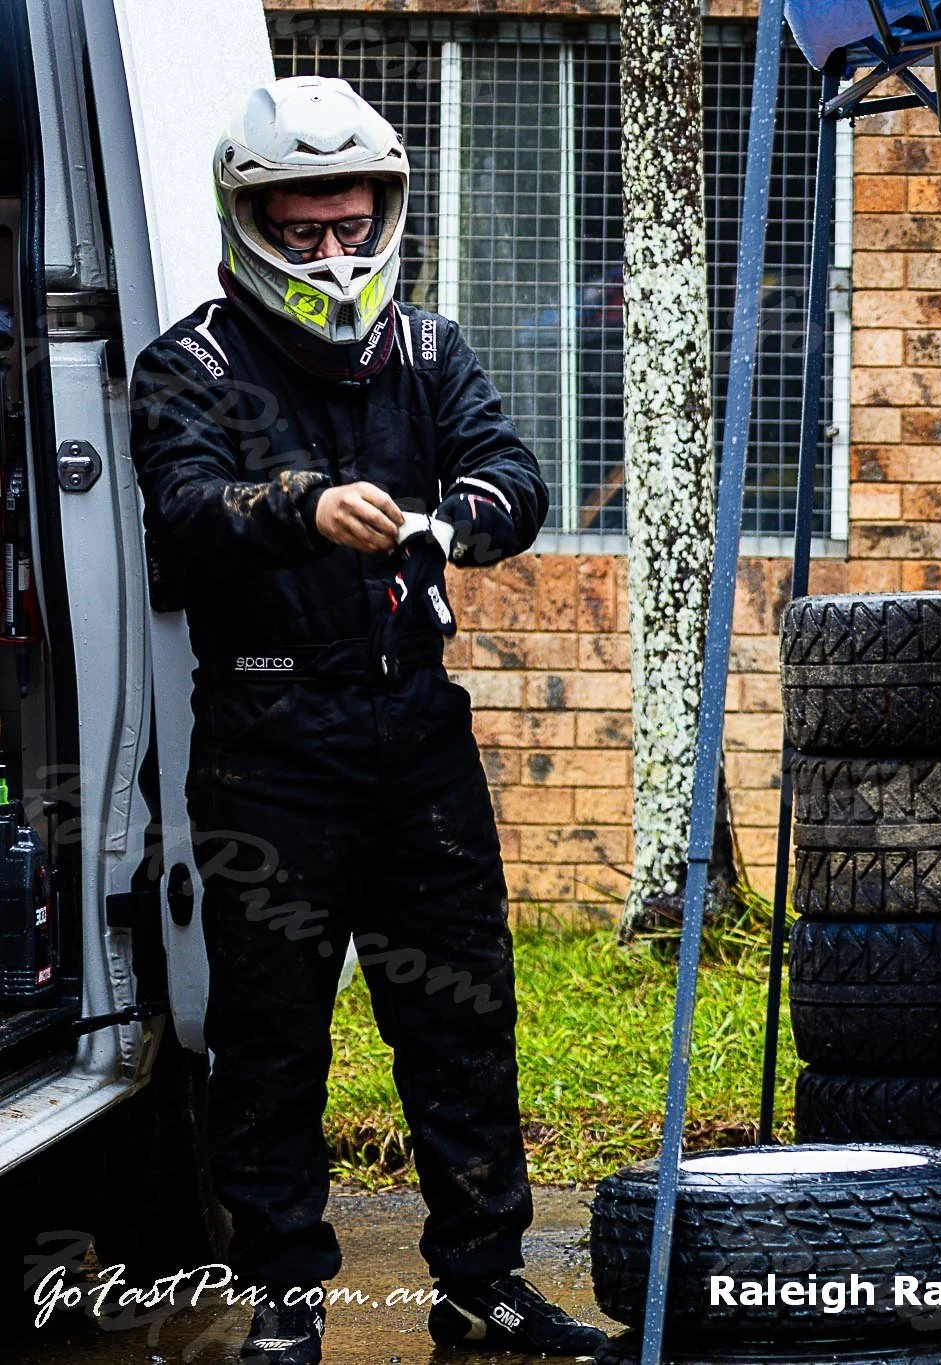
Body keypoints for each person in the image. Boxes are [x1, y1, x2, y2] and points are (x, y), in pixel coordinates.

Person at [128, 76, 608, 1364]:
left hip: (416, 731)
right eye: (304, 231)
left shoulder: (429, 350)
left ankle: (484, 1285)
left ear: (388, 213)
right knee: (272, 1031)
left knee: (463, 1016)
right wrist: (301, 505)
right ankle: (285, 1302)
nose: (335, 253)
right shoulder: (189, 365)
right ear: (252, 225)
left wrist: (465, 519)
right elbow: (183, 509)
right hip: (269, 744)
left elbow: (513, 471)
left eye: (352, 226)